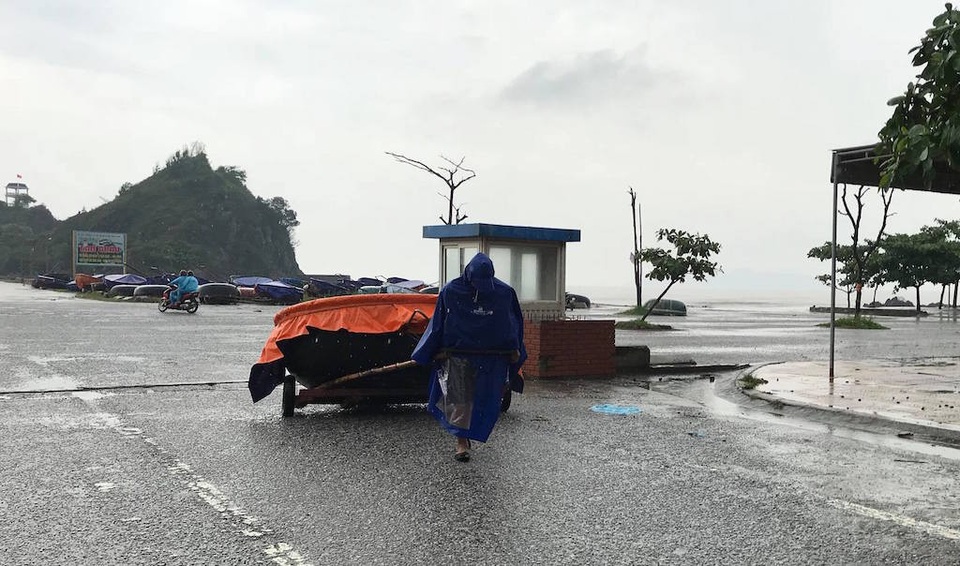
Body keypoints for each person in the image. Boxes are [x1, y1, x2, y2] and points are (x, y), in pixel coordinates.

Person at [412, 252, 527, 462]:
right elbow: (438, 323)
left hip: (493, 357)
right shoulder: (451, 291)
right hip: (459, 355)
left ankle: (475, 432)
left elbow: (514, 322)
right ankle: (461, 442)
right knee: (460, 400)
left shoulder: (504, 293)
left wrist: (515, 348)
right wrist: (428, 351)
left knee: (488, 399)